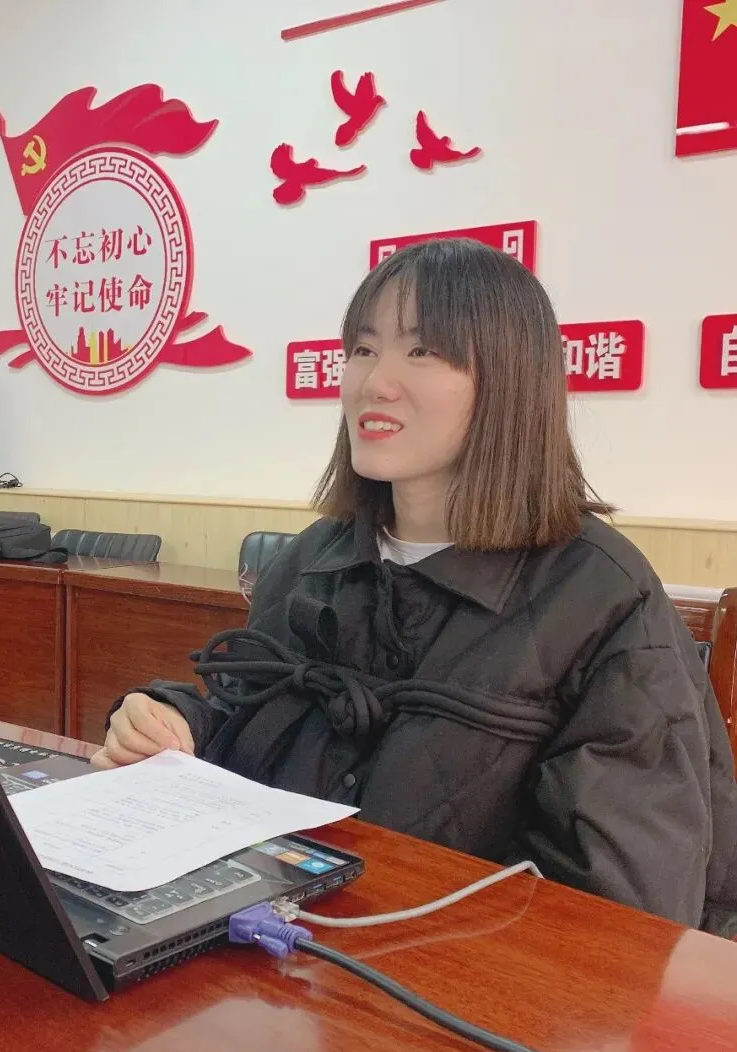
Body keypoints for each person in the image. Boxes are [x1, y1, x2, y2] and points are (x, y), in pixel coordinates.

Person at [92, 238, 737, 936]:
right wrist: (176, 726)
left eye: (422, 351)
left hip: (444, 987)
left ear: (510, 381)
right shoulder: (315, 558)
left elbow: (621, 915)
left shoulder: (602, 596)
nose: (375, 382)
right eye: (363, 349)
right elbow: (246, 722)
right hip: (273, 957)